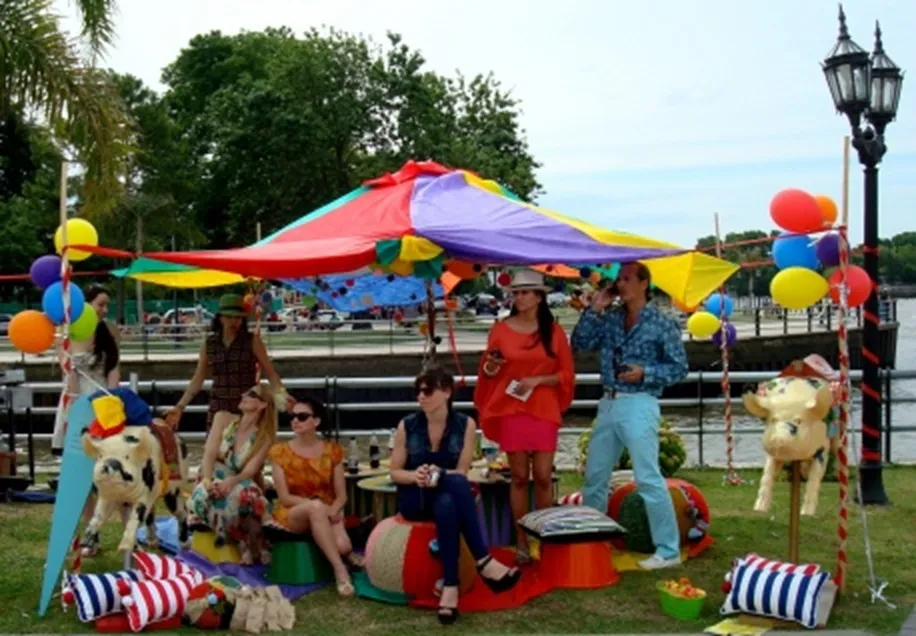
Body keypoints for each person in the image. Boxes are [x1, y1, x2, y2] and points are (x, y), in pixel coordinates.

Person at [570, 262, 688, 570]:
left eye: (626, 279)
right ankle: (593, 540)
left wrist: (645, 373)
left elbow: (679, 368)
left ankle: (668, 550)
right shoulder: (609, 318)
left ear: (644, 283)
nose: (620, 284)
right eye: (618, 279)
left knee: (647, 477)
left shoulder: (663, 322)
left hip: (639, 401)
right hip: (608, 402)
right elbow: (579, 343)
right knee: (595, 476)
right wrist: (595, 307)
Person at [390, 367, 521, 625]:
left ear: (447, 392)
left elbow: (461, 471)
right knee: (456, 488)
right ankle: (484, 561)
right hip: (415, 497)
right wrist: (416, 475)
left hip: (446, 494)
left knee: (449, 501)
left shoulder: (466, 425)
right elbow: (394, 471)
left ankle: (450, 586)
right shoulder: (407, 425)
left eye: (428, 391)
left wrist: (439, 474)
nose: (421, 397)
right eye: (418, 391)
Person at [474, 270, 574, 565]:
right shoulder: (500, 329)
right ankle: (520, 540)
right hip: (512, 409)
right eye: (515, 293)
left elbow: (566, 374)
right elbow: (488, 372)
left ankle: (543, 538)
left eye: (525, 292)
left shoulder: (553, 331)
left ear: (539, 296)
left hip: (543, 408)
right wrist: (491, 368)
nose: (518, 297)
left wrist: (537, 380)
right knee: (519, 477)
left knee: (543, 477)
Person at [267, 396, 360, 597]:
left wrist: (333, 510)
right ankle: (340, 570)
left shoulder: (332, 451)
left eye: (302, 417)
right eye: (293, 417)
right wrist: (317, 506)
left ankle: (340, 552)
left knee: (344, 546)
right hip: (293, 512)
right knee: (316, 508)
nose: (295, 421)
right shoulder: (279, 452)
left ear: (316, 422)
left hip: (326, 511)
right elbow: (284, 497)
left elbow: (341, 496)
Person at [166, 293, 288, 430]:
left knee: (246, 448)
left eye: (238, 318)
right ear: (221, 318)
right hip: (219, 406)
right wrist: (180, 406)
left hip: (247, 405)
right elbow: (198, 378)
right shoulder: (209, 344)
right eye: (229, 317)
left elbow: (270, 372)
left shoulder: (252, 341)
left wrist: (282, 394)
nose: (234, 321)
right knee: (216, 449)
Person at [188, 383, 277, 564]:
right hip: (210, 473)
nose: (243, 394)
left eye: (251, 393)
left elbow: (250, 470)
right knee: (214, 494)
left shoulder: (264, 436)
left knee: (244, 493)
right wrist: (206, 479)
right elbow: (209, 453)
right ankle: (251, 540)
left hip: (237, 480)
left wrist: (232, 481)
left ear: (262, 405)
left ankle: (243, 541)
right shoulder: (223, 418)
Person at [52, 284, 121, 455]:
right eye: (100, 305)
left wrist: (113, 398)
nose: (104, 310)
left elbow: (114, 368)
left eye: (107, 306)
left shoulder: (110, 331)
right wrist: (76, 406)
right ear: (86, 305)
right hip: (75, 394)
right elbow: (68, 370)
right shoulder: (65, 333)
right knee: (76, 448)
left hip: (102, 394)